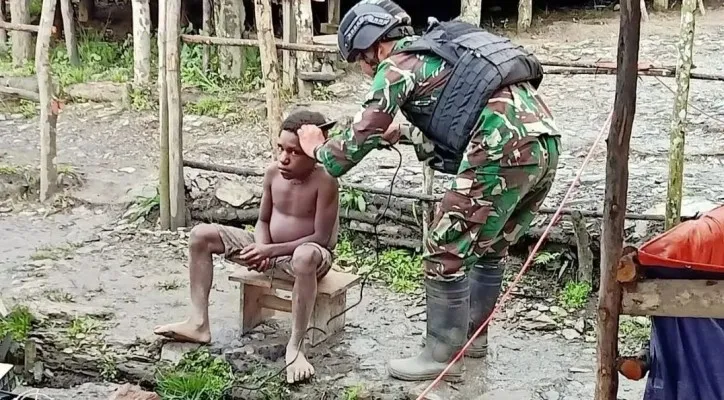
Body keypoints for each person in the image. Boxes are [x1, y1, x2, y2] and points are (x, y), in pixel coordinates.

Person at [295, 0, 561, 382]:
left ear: (373, 46)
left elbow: (355, 141)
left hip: (498, 145)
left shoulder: (396, 65)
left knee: (444, 247)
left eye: (360, 59)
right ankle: (473, 340)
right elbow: (459, 113)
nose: (364, 68)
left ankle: (440, 353)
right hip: (543, 143)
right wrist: (400, 131)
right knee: (488, 246)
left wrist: (315, 147)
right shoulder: (439, 52)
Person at [154, 110, 340, 384]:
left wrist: (270, 251)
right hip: (269, 251)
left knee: (304, 256)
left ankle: (296, 347)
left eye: (294, 152)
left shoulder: (325, 181)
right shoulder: (272, 173)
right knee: (200, 235)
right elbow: (263, 220)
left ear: (313, 152)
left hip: (309, 258)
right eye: (280, 149)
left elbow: (321, 238)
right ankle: (198, 323)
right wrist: (261, 247)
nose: (283, 158)